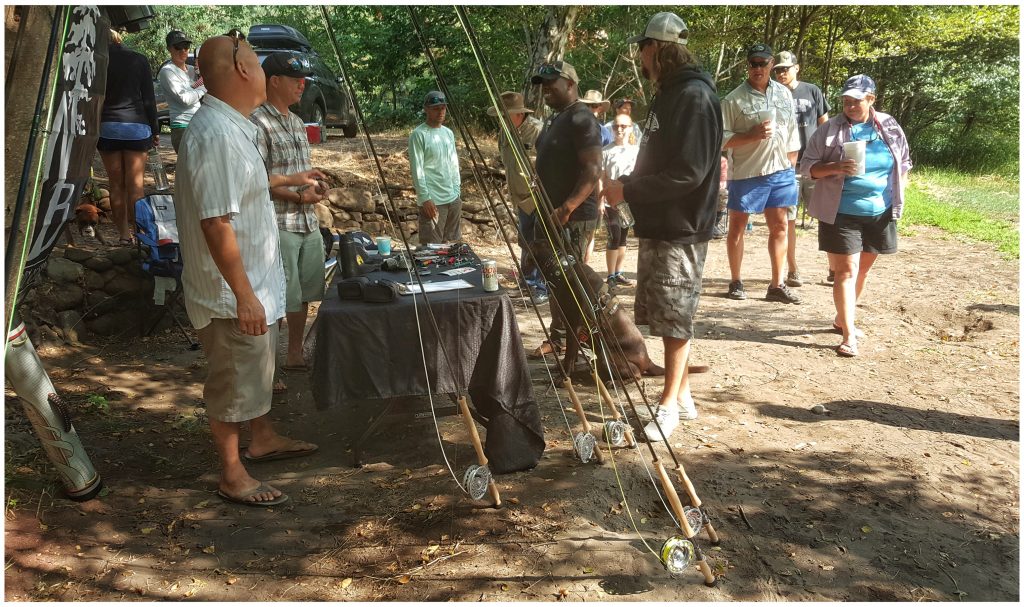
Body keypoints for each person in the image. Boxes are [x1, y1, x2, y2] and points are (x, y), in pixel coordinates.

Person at [175, 34, 322, 507]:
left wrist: (293, 182)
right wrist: (243, 295)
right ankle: (232, 473)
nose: (262, 71)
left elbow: (249, 185)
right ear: (241, 69)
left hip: (254, 281)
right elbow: (216, 222)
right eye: (257, 63)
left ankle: (263, 437)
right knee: (233, 383)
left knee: (253, 373)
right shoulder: (216, 135)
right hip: (231, 293)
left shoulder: (232, 126)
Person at [602, 11, 723, 436]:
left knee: (675, 317)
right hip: (659, 222)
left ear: (655, 48)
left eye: (642, 49)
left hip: (681, 225)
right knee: (664, 314)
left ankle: (667, 405)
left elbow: (689, 172)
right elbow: (660, 158)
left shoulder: (695, 97)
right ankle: (683, 395)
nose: (639, 57)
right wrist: (627, 183)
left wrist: (630, 191)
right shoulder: (668, 93)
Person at [800, 74, 911, 357]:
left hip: (879, 210)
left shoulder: (889, 126)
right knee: (846, 271)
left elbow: (904, 162)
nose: (850, 106)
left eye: (856, 101)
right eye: (846, 101)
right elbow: (807, 168)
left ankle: (841, 318)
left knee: (862, 270)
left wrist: (898, 194)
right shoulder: (829, 130)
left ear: (871, 99)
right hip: (841, 211)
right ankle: (849, 334)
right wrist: (835, 167)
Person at [250, 52, 328, 392]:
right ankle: (268, 371)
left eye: (304, 79)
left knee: (304, 293)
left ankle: (294, 354)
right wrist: (298, 196)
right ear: (274, 81)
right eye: (295, 79)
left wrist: (316, 187)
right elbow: (257, 179)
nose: (302, 85)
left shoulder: (297, 121)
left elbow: (301, 171)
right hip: (278, 223)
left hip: (307, 222)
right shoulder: (257, 122)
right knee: (278, 298)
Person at [529, 60, 602, 358]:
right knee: (554, 278)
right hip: (548, 212)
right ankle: (558, 336)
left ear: (570, 84)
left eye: (552, 82)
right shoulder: (555, 118)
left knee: (571, 281)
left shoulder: (582, 118)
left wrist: (567, 207)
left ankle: (580, 339)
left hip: (571, 216)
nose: (546, 88)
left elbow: (593, 169)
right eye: (543, 84)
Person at [721, 43, 802, 304]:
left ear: (771, 65)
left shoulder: (784, 93)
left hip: (781, 171)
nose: (758, 68)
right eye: (753, 63)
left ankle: (777, 285)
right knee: (737, 227)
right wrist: (750, 135)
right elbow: (720, 139)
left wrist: (791, 162)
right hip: (747, 172)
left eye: (763, 63)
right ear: (748, 66)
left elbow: (791, 130)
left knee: (780, 226)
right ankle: (736, 281)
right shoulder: (733, 99)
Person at [772, 50, 830, 287]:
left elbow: (824, 124)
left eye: (785, 69)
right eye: (778, 70)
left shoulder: (812, 91)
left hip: (814, 164)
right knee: (788, 220)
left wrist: (827, 156)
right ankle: (792, 269)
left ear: (796, 68)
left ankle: (834, 267)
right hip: (786, 166)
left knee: (827, 216)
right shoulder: (772, 94)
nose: (781, 73)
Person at [97, 29, 158, 245]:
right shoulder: (139, 60)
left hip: (107, 126)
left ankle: (124, 235)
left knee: (116, 185)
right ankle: (141, 237)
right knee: (136, 186)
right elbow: (149, 98)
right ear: (119, 39)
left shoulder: (98, 61)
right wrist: (155, 130)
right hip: (137, 127)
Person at [487, 91, 546, 304]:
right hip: (519, 197)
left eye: (505, 115)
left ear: (519, 114)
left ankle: (541, 287)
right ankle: (527, 282)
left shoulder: (538, 131)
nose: (501, 120)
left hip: (539, 197)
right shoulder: (505, 133)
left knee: (540, 242)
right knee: (526, 240)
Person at [409, 91, 462, 244]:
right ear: (426, 109)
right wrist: (425, 198)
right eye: (436, 108)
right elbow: (417, 169)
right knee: (431, 249)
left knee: (451, 245)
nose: (440, 112)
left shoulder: (448, 133)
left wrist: (457, 191)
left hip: (452, 198)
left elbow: (453, 163)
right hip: (433, 201)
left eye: (443, 108)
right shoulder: (418, 134)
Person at [601, 113, 639, 286]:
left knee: (623, 235)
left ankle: (618, 272)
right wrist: (600, 201)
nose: (619, 129)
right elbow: (601, 178)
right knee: (614, 235)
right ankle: (610, 275)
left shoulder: (636, 150)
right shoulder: (605, 151)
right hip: (610, 201)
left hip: (628, 200)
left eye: (624, 126)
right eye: (616, 126)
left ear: (631, 128)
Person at [157, 30, 205, 153]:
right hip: (182, 127)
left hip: (199, 125)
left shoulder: (193, 70)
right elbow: (185, 99)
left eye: (186, 46)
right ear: (169, 49)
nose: (183, 50)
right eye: (178, 47)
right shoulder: (168, 71)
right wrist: (204, 88)